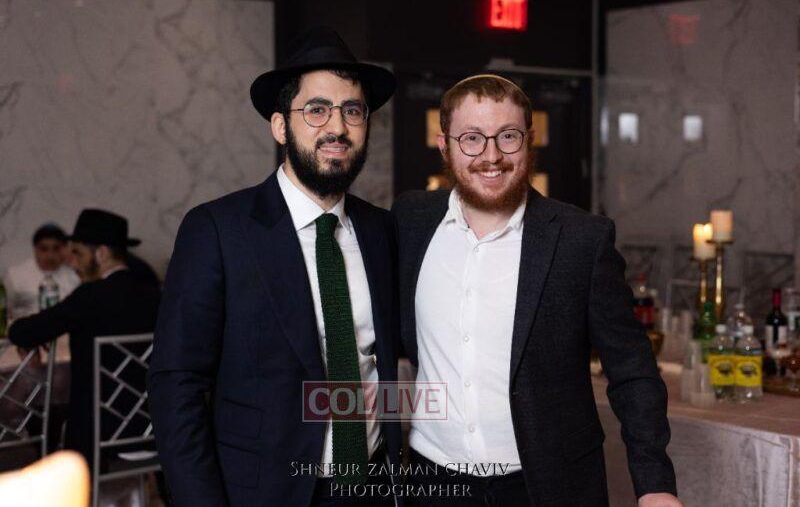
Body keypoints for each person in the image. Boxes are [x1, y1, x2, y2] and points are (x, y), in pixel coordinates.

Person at [392, 75, 682, 507]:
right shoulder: (410, 220)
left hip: (548, 485)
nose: (491, 156)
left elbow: (632, 369)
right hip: (432, 484)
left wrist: (655, 484)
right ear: (444, 146)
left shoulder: (582, 240)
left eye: (507, 136)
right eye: (471, 138)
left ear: (529, 141)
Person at [148, 26, 402, 507]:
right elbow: (176, 385)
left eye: (352, 110)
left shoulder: (380, 230)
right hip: (263, 493)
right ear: (280, 126)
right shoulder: (218, 230)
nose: (337, 127)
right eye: (317, 110)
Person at [8, 209, 161, 468]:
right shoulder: (154, 294)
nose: (72, 263)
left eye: (78, 253)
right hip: (155, 427)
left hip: (98, 434)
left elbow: (23, 331)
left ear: (101, 253)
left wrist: (29, 337)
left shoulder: (90, 296)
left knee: (53, 413)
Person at [3, 223, 80, 320]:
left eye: (56, 249)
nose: (50, 255)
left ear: (63, 249)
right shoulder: (16, 276)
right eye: (44, 249)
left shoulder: (74, 276)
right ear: (35, 249)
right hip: (28, 328)